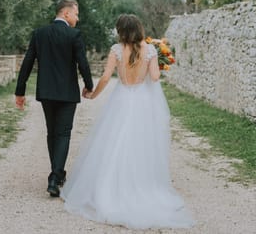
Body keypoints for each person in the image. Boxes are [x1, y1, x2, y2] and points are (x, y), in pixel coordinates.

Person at [61, 14, 194, 229]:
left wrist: (93, 95)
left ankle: (109, 187)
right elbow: (155, 78)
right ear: (139, 29)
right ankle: (140, 185)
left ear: (121, 30)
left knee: (113, 142)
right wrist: (156, 61)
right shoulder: (150, 50)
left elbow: (105, 77)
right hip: (141, 101)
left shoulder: (116, 49)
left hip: (121, 99)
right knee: (140, 144)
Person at [15, 0, 94, 198]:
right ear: (66, 13)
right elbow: (82, 63)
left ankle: (57, 175)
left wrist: (20, 91)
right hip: (67, 94)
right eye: (76, 13)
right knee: (64, 133)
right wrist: (88, 85)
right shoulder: (74, 35)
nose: (77, 18)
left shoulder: (39, 34)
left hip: (47, 92)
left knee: (52, 132)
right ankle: (55, 177)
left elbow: (27, 63)